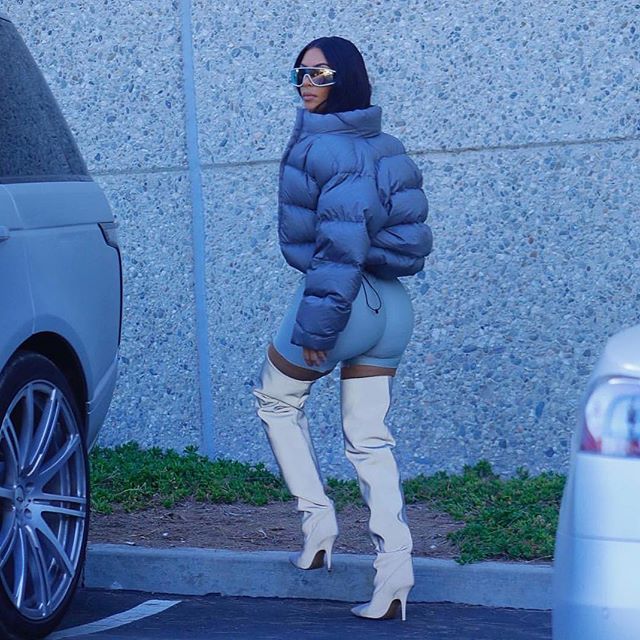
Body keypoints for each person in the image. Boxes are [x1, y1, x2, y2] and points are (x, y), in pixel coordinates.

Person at [253, 36, 433, 621]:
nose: (307, 83)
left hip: (344, 299)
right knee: (370, 439)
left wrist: (318, 330)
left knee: (277, 401)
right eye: (300, 73)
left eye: (321, 74)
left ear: (346, 78)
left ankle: (317, 522)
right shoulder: (388, 146)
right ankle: (394, 573)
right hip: (392, 306)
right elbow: (413, 242)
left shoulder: (327, 149)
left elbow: (339, 247)